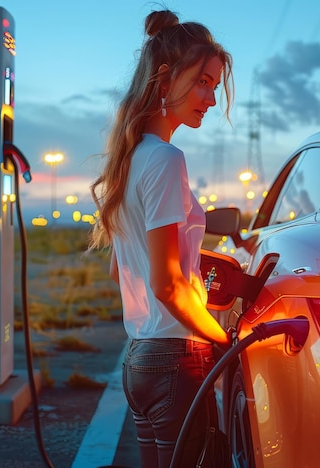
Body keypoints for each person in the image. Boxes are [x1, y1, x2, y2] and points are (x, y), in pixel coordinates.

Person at [88, 9, 234, 467]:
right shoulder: (167, 160)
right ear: (165, 80)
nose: (210, 98)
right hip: (175, 360)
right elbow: (167, 285)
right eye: (203, 82)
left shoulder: (126, 161)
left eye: (214, 85)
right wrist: (222, 342)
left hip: (139, 361)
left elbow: (121, 267)